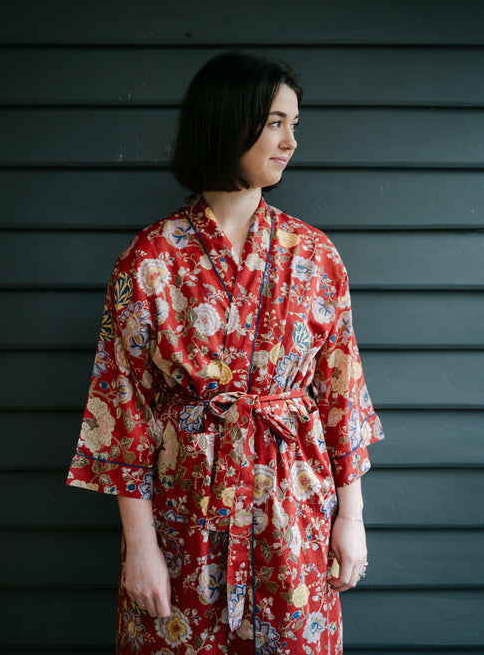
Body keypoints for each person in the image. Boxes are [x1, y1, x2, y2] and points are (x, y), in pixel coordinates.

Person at [67, 51, 384, 654]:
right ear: (227, 121)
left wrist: (351, 518)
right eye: (274, 122)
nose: (291, 140)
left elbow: (341, 397)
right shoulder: (150, 260)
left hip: (293, 518)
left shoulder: (315, 257)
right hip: (184, 522)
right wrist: (140, 547)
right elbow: (124, 409)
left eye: (295, 124)